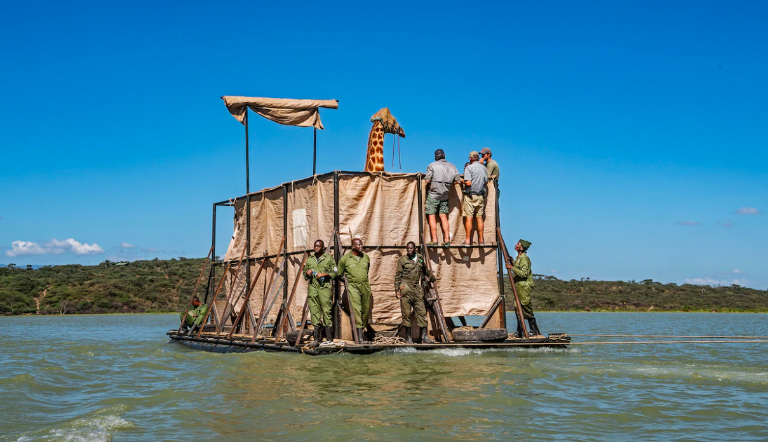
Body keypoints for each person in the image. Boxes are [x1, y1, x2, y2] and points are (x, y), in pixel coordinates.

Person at [394, 241, 436, 343]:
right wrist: (397, 290)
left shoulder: (420, 259)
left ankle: (424, 337)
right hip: (406, 288)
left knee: (422, 312)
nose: (409, 250)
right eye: (407, 248)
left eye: (411, 248)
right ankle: (408, 338)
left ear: (415, 249)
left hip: (417, 288)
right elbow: (398, 276)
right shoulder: (402, 260)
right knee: (406, 313)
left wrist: (432, 277)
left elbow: (425, 270)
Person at [337, 238, 372, 342]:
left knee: (366, 309)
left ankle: (363, 328)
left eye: (361, 244)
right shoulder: (345, 259)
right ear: (353, 246)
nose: (361, 246)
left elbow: (367, 270)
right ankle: (360, 336)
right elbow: (339, 274)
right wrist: (348, 281)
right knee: (357, 308)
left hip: (365, 285)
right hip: (353, 286)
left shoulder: (366, 257)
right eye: (358, 245)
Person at [303, 239, 337, 347]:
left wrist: (324, 274)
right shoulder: (310, 260)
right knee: (314, 312)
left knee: (327, 312)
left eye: (318, 246)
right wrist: (307, 273)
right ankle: (317, 339)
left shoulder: (329, 259)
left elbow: (335, 272)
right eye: (315, 246)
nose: (316, 248)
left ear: (323, 248)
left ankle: (329, 338)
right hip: (313, 289)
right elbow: (305, 274)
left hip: (324, 289)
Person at [424, 149, 461, 246]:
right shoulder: (453, 167)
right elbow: (458, 181)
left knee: (432, 216)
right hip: (445, 195)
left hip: (433, 195)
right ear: (444, 155)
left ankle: (435, 240)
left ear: (436, 156)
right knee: (443, 217)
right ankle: (446, 240)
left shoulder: (432, 165)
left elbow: (427, 180)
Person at [505, 239, 542, 337]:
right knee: (518, 308)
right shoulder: (519, 258)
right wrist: (512, 262)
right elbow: (518, 268)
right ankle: (520, 331)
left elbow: (524, 273)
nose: (516, 244)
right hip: (518, 287)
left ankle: (534, 330)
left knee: (526, 307)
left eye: (518, 243)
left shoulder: (525, 258)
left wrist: (511, 267)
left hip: (524, 286)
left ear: (521, 248)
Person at [461, 151, 488, 245]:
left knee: (469, 218)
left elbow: (468, 183)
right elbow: (486, 181)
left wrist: (462, 180)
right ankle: (481, 240)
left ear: (471, 158)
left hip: (470, 196)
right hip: (480, 195)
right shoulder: (484, 168)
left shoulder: (469, 168)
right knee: (479, 218)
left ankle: (468, 240)